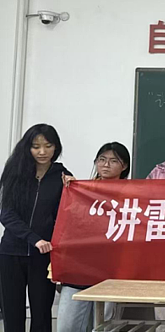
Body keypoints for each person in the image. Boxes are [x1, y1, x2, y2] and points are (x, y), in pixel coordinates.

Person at [0, 124, 72, 332]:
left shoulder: (62, 175)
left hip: (44, 255)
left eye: (48, 146)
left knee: (41, 314)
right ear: (27, 147)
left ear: (56, 147)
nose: (42, 152)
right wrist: (34, 239)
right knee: (12, 313)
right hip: (11, 252)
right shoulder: (15, 172)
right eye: (36, 146)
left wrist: (73, 188)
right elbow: (7, 214)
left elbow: (68, 213)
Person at [57, 143, 130, 332]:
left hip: (110, 270)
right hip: (78, 268)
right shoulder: (81, 190)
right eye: (102, 160)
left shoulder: (131, 194)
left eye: (113, 161)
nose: (106, 165)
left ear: (124, 166)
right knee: (66, 327)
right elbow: (68, 226)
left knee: (102, 327)